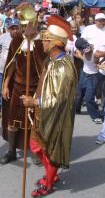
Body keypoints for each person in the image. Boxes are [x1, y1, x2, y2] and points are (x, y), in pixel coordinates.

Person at [21, 15, 77, 197]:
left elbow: (57, 99)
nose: (42, 42)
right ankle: (50, 175)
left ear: (53, 43)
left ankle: (49, 182)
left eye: (45, 39)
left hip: (56, 116)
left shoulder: (63, 67)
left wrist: (34, 102)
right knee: (36, 146)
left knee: (50, 149)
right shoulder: (50, 61)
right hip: (42, 113)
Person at [0, 4, 46, 165]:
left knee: (33, 123)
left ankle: (33, 151)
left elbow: (44, 69)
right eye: (23, 25)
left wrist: (40, 92)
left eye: (28, 25)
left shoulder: (41, 43)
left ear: (34, 24)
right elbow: (11, 64)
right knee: (13, 122)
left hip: (35, 89)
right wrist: (5, 85)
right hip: (18, 87)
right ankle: (11, 151)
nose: (25, 29)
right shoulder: (17, 40)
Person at [0, 18, 20, 121]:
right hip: (2, 70)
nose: (15, 31)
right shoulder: (3, 37)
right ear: (8, 28)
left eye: (16, 28)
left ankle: (12, 111)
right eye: (12, 28)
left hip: (16, 71)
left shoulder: (22, 39)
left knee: (14, 91)